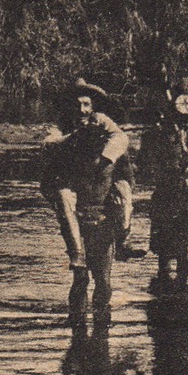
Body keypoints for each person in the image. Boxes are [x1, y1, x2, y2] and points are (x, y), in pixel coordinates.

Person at [41, 80, 130, 302]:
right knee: (80, 277)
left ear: (93, 107)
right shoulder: (62, 139)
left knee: (103, 279)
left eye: (86, 104)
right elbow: (47, 178)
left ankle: (102, 329)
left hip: (103, 214)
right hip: (76, 215)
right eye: (77, 105)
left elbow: (126, 177)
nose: (82, 110)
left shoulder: (111, 136)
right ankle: (77, 329)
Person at [146, 78, 188, 287]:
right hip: (164, 191)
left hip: (185, 192)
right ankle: (163, 296)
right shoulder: (163, 128)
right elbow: (150, 160)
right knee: (162, 252)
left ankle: (182, 294)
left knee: (182, 251)